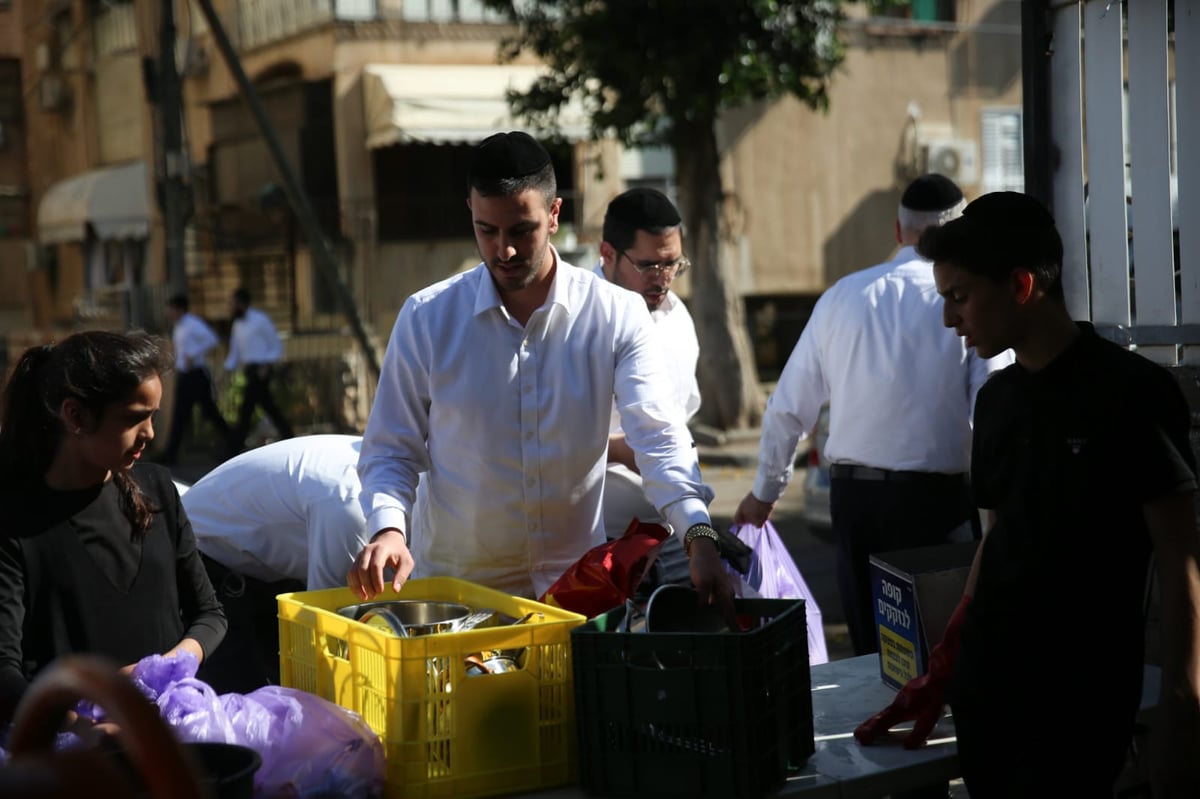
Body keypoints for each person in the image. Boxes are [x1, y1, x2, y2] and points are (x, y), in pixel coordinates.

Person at [853, 191, 1200, 797]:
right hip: (990, 689)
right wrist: (948, 659)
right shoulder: (996, 401)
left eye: (959, 298)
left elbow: (1180, 557)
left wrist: (1182, 702)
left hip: (1081, 700)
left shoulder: (1132, 394)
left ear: (1020, 286)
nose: (948, 319)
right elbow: (998, 537)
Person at [348, 130, 729, 605]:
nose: (503, 250)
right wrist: (389, 529)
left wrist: (697, 531)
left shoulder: (615, 314)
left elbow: (658, 436)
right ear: (470, 210)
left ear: (554, 215)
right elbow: (390, 451)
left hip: (577, 591)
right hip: (459, 594)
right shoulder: (427, 317)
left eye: (521, 230)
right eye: (487, 230)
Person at [734, 174, 1012, 661]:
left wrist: (764, 494)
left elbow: (787, 406)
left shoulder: (843, 296)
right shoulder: (968, 299)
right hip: (941, 502)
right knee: (946, 647)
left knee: (873, 650)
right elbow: (991, 405)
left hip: (858, 501)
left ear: (899, 230)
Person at [0, 330, 227, 732]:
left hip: (176, 734)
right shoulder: (18, 527)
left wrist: (168, 667)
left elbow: (209, 614)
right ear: (75, 416)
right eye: (134, 418)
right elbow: (4, 674)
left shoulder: (158, 491)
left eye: (153, 416)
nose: (150, 434)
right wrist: (81, 728)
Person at [181, 434, 369, 693]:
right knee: (242, 713)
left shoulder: (384, 464)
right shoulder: (351, 505)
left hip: (263, 572)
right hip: (206, 564)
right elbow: (327, 625)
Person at [595, 187, 700, 591]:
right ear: (608, 254)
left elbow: (680, 421)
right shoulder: (576, 321)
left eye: (673, 264)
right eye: (649, 266)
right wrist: (618, 450)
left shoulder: (677, 318)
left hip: (672, 537)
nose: (664, 278)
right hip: (597, 544)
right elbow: (535, 442)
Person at [160, 294, 231, 465]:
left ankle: (233, 442)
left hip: (196, 375)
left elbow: (212, 339)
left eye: (172, 308)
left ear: (180, 309)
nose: (169, 312)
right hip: (185, 374)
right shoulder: (179, 327)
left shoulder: (192, 323)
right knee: (180, 415)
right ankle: (171, 454)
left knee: (209, 412)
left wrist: (194, 354)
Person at [225, 287, 293, 453]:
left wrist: (267, 365)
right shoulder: (237, 325)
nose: (230, 307)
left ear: (241, 304)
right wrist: (227, 371)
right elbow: (235, 351)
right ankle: (290, 437)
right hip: (250, 370)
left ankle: (233, 448)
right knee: (267, 407)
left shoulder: (260, 320)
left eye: (233, 303)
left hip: (262, 370)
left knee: (247, 410)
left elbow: (275, 345)